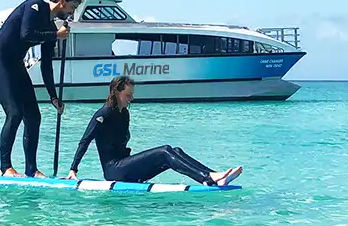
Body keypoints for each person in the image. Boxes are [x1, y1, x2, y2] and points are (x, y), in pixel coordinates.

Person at [65, 75, 242, 186]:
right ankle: (209, 177)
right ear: (116, 93)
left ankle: (212, 177)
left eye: (132, 94)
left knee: (175, 151)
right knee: (165, 151)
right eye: (128, 95)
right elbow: (85, 141)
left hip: (126, 167)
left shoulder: (124, 114)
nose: (131, 98)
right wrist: (73, 170)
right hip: (115, 171)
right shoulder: (104, 113)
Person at [0, 0, 81, 177]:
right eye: (73, 7)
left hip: (15, 64)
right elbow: (26, 33)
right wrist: (55, 35)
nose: (72, 13)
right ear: (62, 1)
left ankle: (31, 169)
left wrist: (53, 97)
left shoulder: (51, 28)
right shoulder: (35, 5)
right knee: (15, 113)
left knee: (34, 116)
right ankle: (5, 168)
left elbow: (46, 66)